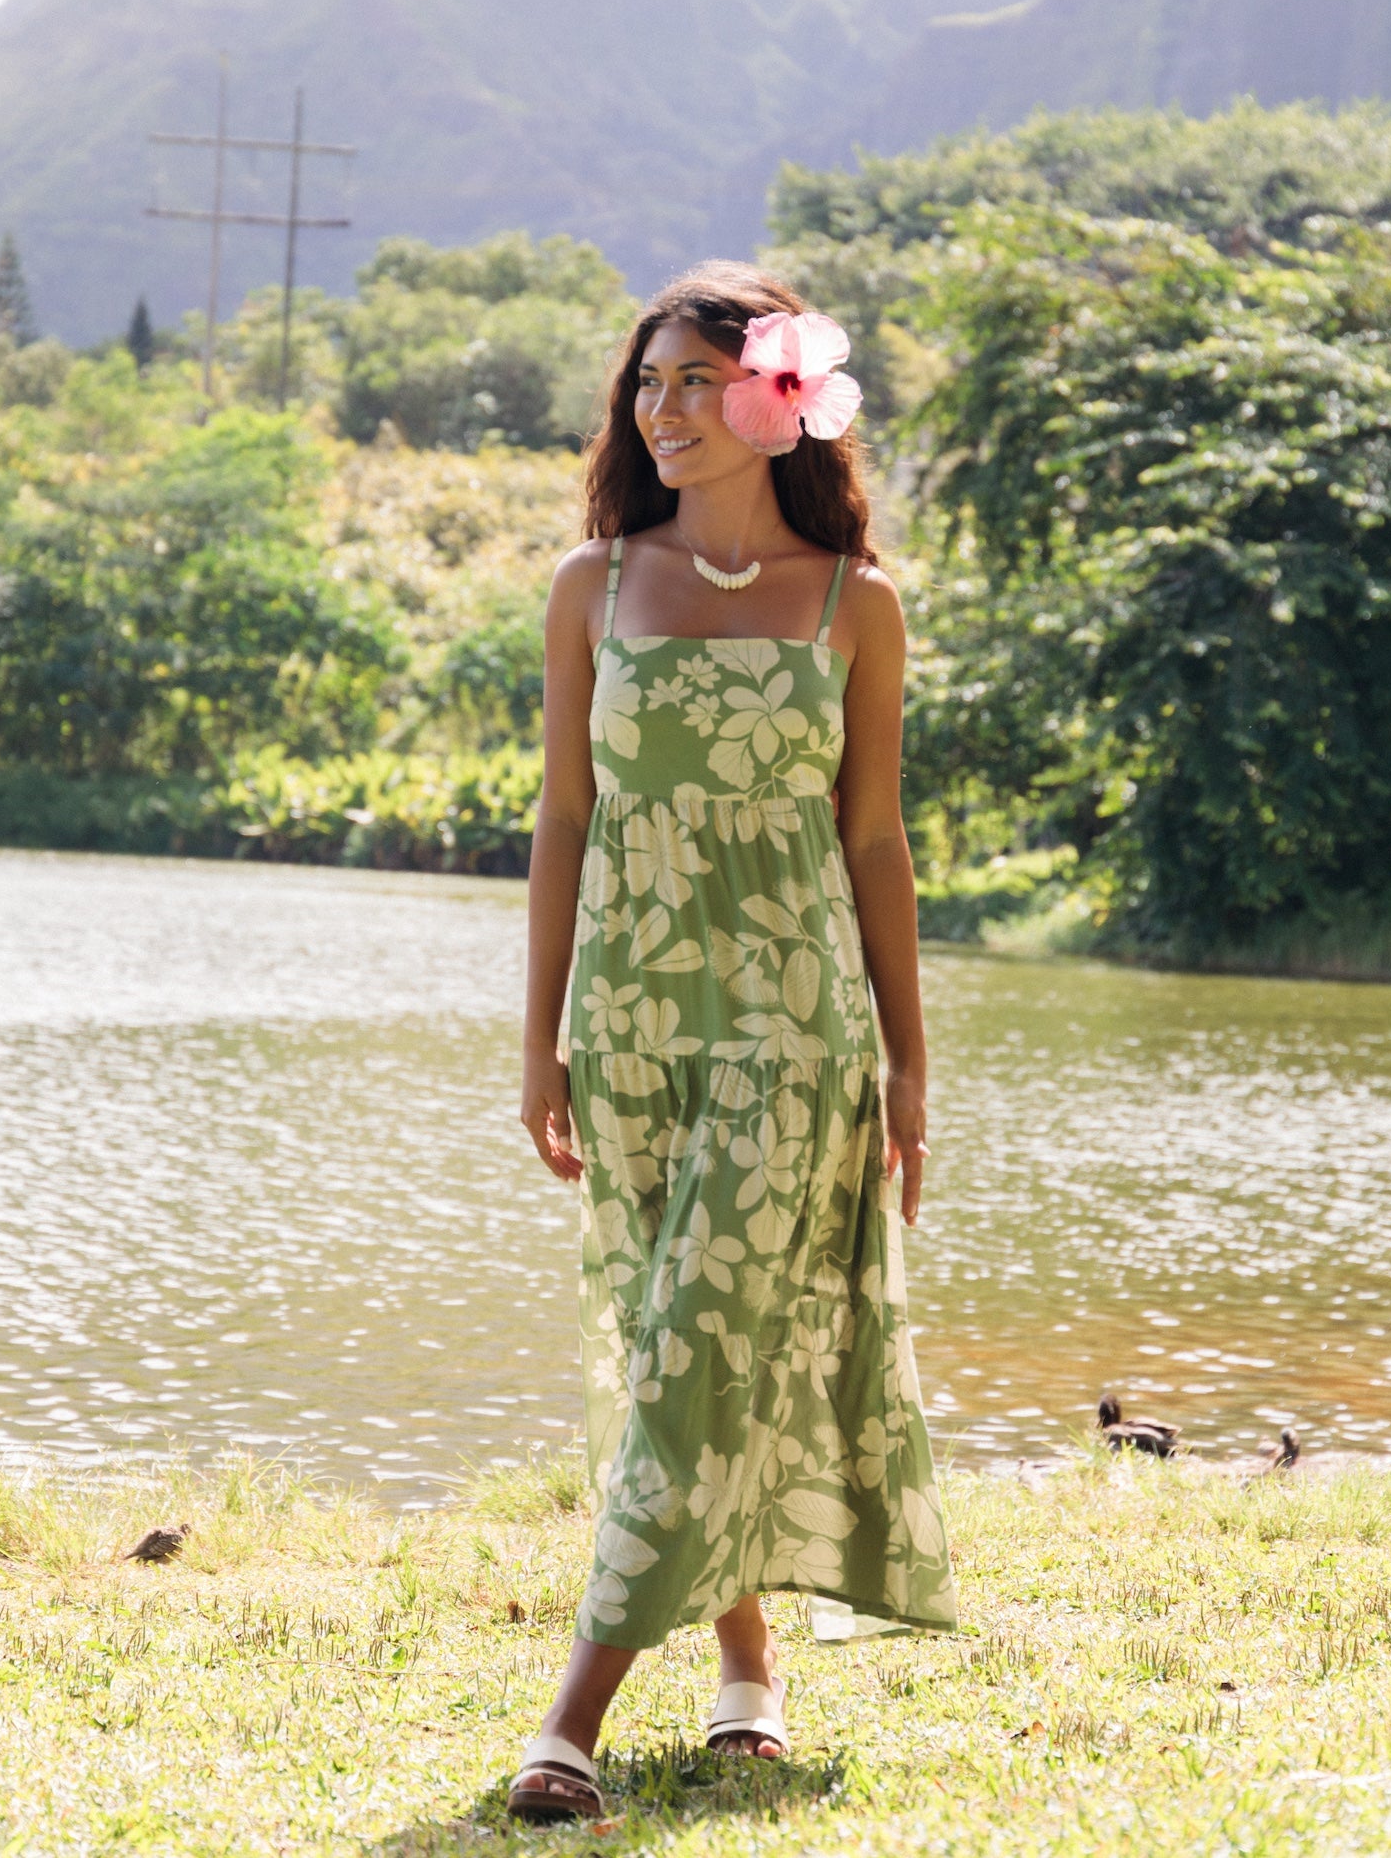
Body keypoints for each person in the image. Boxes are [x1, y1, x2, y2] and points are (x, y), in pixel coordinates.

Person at [509, 261, 957, 1824]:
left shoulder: (854, 606)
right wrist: (542, 1039)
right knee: (676, 1345)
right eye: (650, 385)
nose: (664, 410)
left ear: (782, 402)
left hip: (790, 1020)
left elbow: (877, 846)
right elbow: (565, 818)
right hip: (634, 1019)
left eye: (698, 382)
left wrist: (909, 1065)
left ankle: (566, 1718)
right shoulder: (593, 584)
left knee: (705, 1324)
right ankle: (747, 1680)